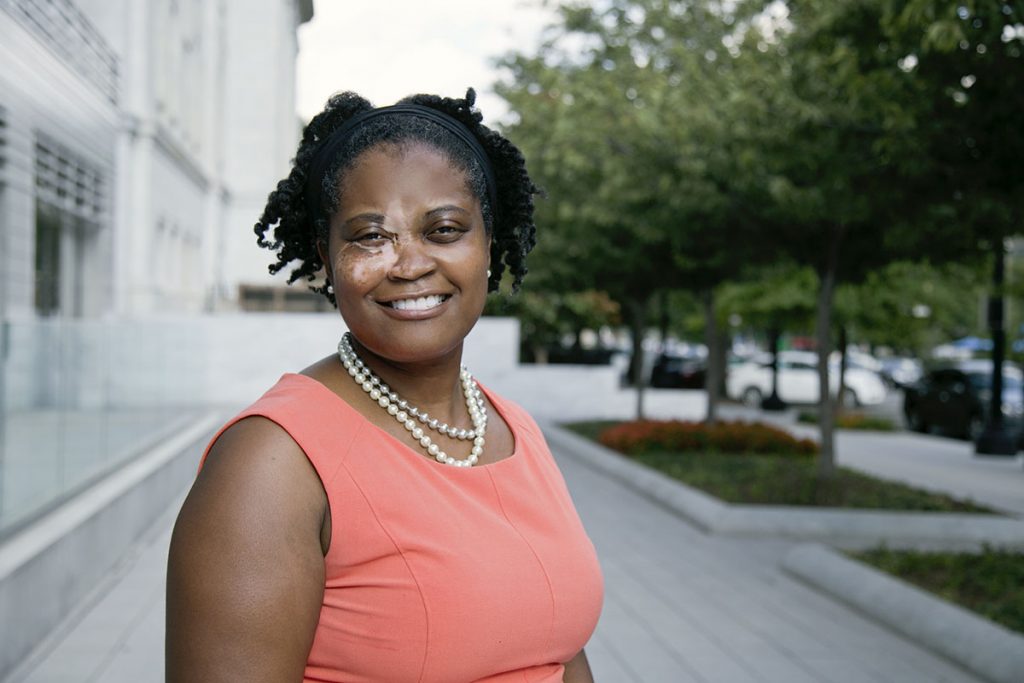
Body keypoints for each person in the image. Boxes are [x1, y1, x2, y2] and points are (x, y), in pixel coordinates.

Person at [166, 88, 604, 682]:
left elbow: (560, 652)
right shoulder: (270, 464)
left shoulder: (514, 428)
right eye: (370, 237)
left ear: (489, 242)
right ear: (325, 258)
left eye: (444, 229)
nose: (409, 264)